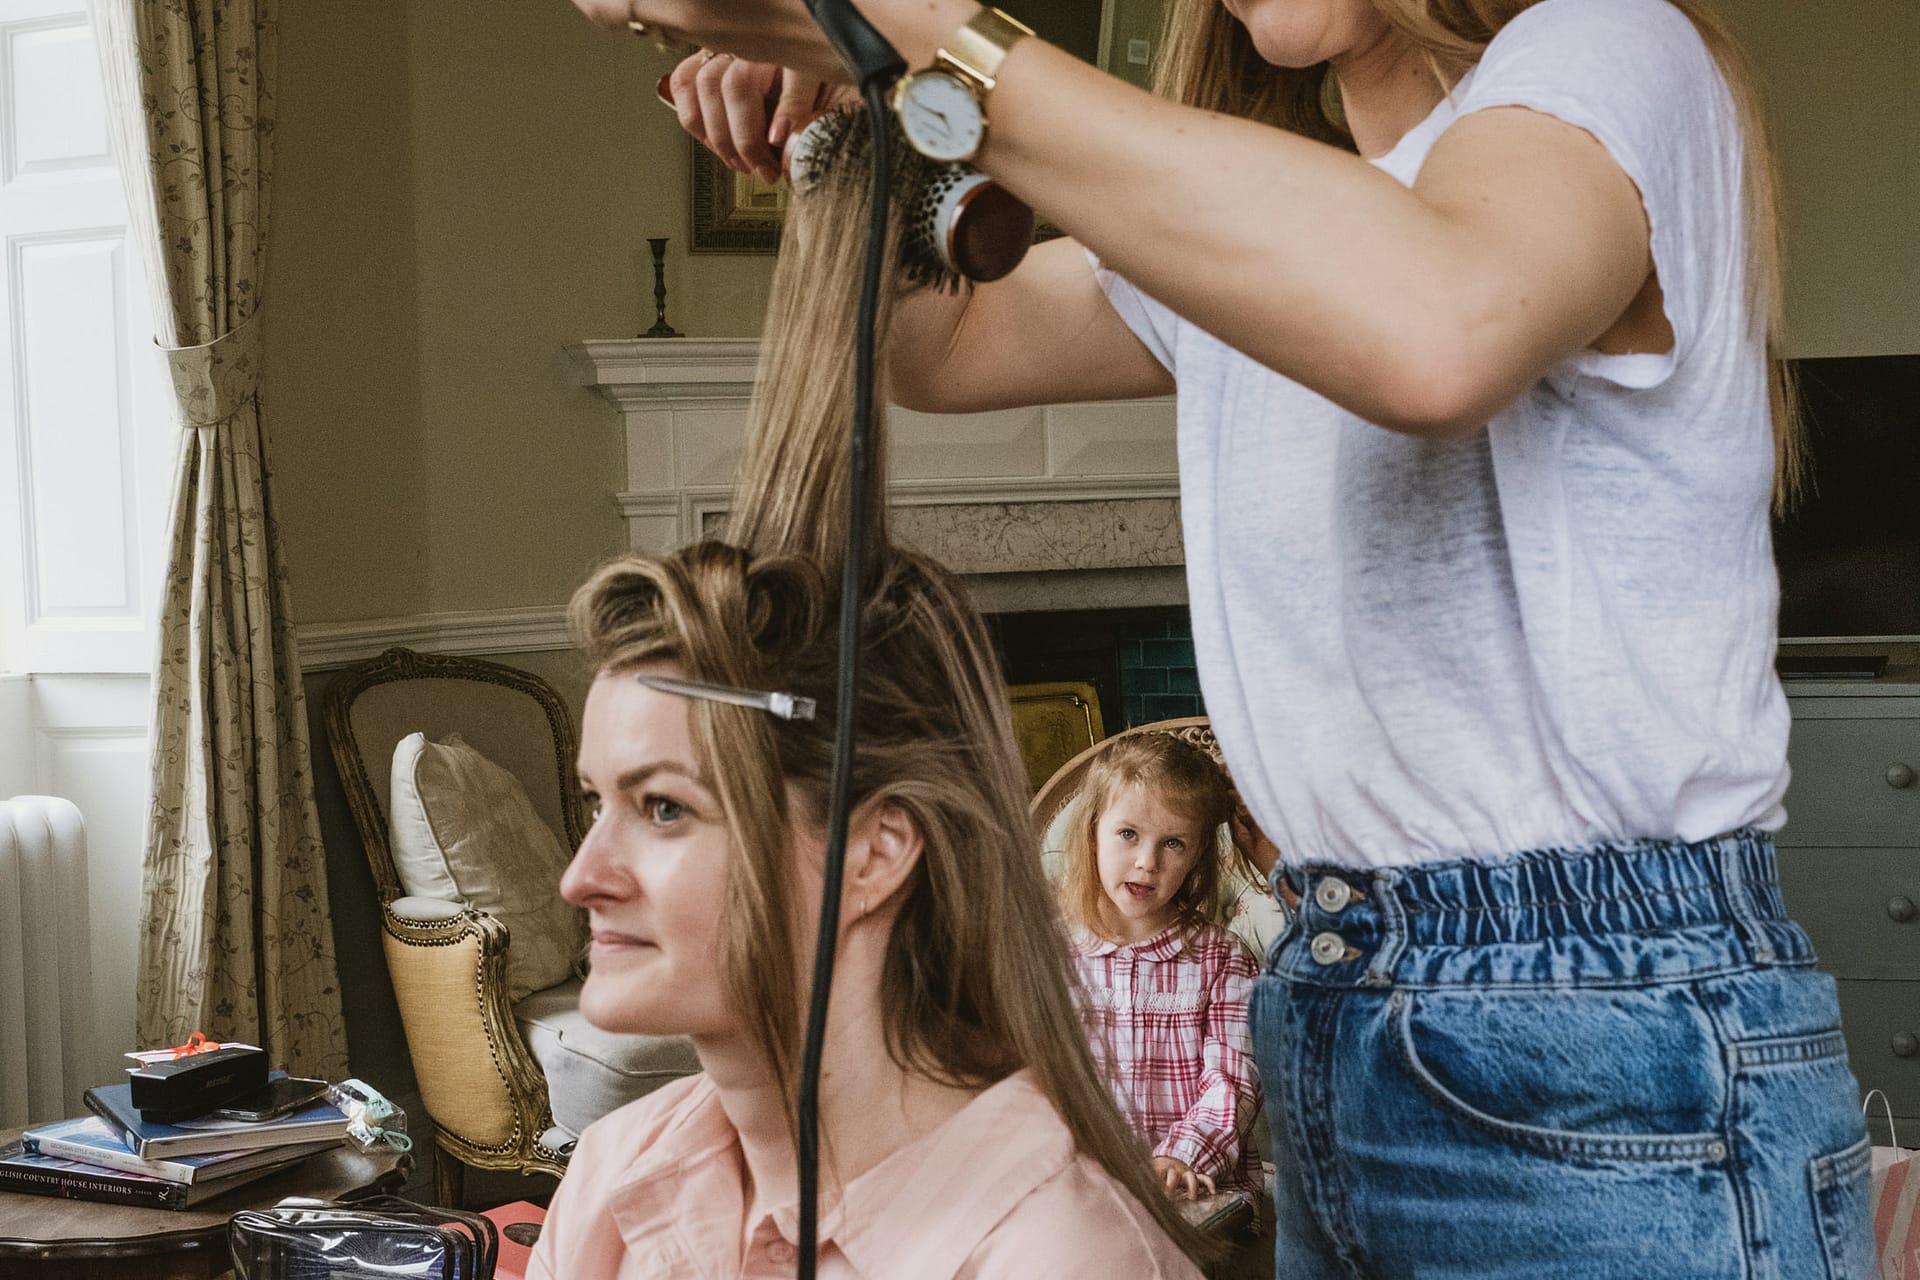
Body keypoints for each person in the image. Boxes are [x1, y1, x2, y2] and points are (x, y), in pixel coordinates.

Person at [581, 0, 1880, 1274]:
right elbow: (939, 344)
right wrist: (835, 112)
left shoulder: (1610, 45)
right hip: (1333, 1006)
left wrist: (926, 28)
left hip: (1601, 1026)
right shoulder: (1284, 222)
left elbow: (1442, 328)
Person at [526, 104, 1207, 1279]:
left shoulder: (1052, 1255)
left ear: (877, 847)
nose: (581, 874)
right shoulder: (616, 1179)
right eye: (598, 801)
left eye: (666, 806)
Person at [1058, 732, 1263, 1201]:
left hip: (1196, 1188)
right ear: (1093, 832)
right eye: (1128, 834)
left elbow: (1234, 1082)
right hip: (1081, 1189)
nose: (1147, 863)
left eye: (1172, 843)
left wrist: (1180, 1157)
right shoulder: (1049, 954)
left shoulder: (1222, 961)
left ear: (1195, 857)